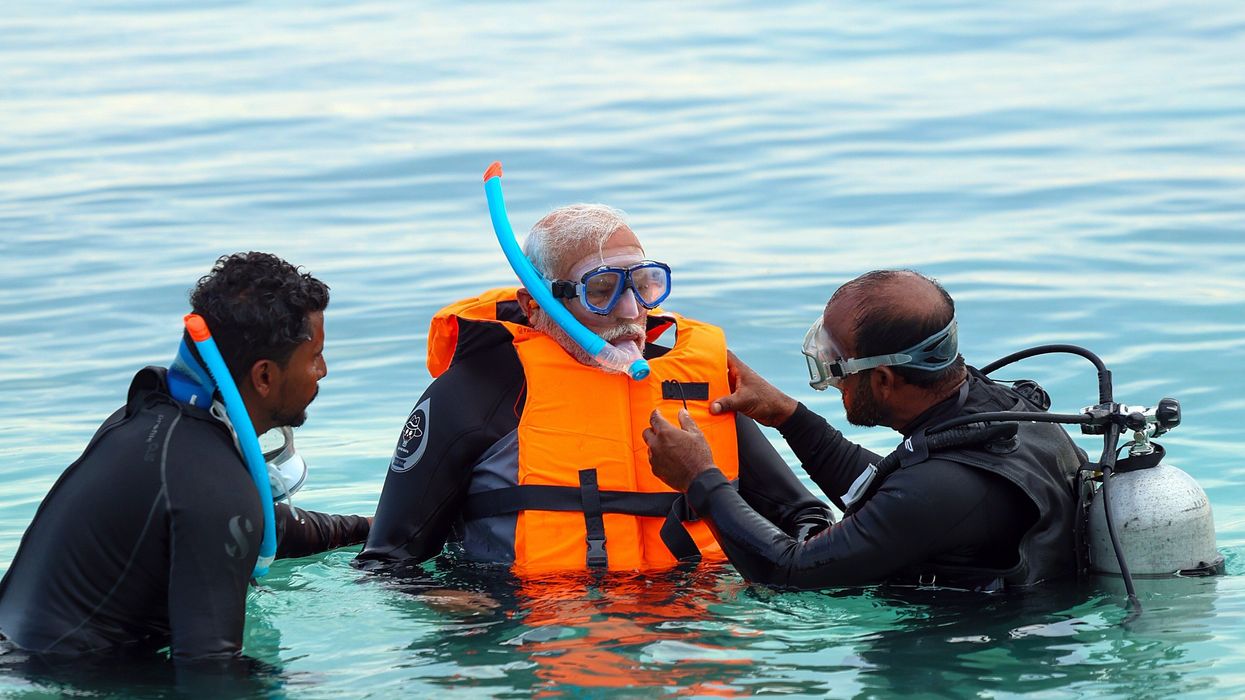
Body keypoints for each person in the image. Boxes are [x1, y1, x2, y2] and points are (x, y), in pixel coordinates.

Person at [356, 204, 831, 573]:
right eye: (601, 291)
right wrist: (462, 612)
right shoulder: (476, 393)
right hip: (535, 635)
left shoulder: (693, 385)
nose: (631, 310)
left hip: (690, 631)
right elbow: (386, 562)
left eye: (645, 284)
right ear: (535, 304)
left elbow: (806, 516)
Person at [0, 252, 370, 662]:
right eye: (315, 355)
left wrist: (363, 528)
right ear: (264, 376)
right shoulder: (213, 484)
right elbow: (210, 669)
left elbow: (249, 524)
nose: (323, 370)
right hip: (63, 676)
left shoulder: (152, 425)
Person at [643, 269, 1084, 591]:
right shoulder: (1002, 410)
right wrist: (787, 416)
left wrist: (700, 479)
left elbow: (789, 571)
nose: (832, 381)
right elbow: (889, 493)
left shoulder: (941, 488)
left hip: (969, 657)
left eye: (836, 367)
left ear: (884, 380)